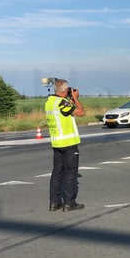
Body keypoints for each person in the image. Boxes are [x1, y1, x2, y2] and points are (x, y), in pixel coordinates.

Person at [45, 78, 85, 212]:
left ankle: (54, 203)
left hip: (57, 143)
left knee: (57, 173)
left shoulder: (50, 102)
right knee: (70, 173)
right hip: (69, 143)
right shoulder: (62, 103)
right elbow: (81, 112)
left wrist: (70, 100)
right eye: (68, 90)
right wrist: (76, 98)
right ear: (64, 91)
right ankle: (69, 203)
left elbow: (65, 114)